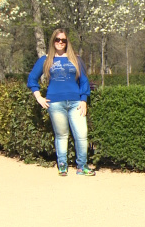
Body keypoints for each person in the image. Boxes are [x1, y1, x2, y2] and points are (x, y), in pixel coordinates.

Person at [27, 28, 95, 176]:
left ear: (67, 42)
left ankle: (82, 166)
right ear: (53, 41)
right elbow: (32, 78)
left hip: (75, 102)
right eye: (57, 39)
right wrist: (39, 97)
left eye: (63, 40)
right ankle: (62, 165)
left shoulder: (76, 59)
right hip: (55, 103)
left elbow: (84, 81)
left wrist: (84, 100)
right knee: (62, 135)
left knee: (82, 134)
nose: (60, 42)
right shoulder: (46, 60)